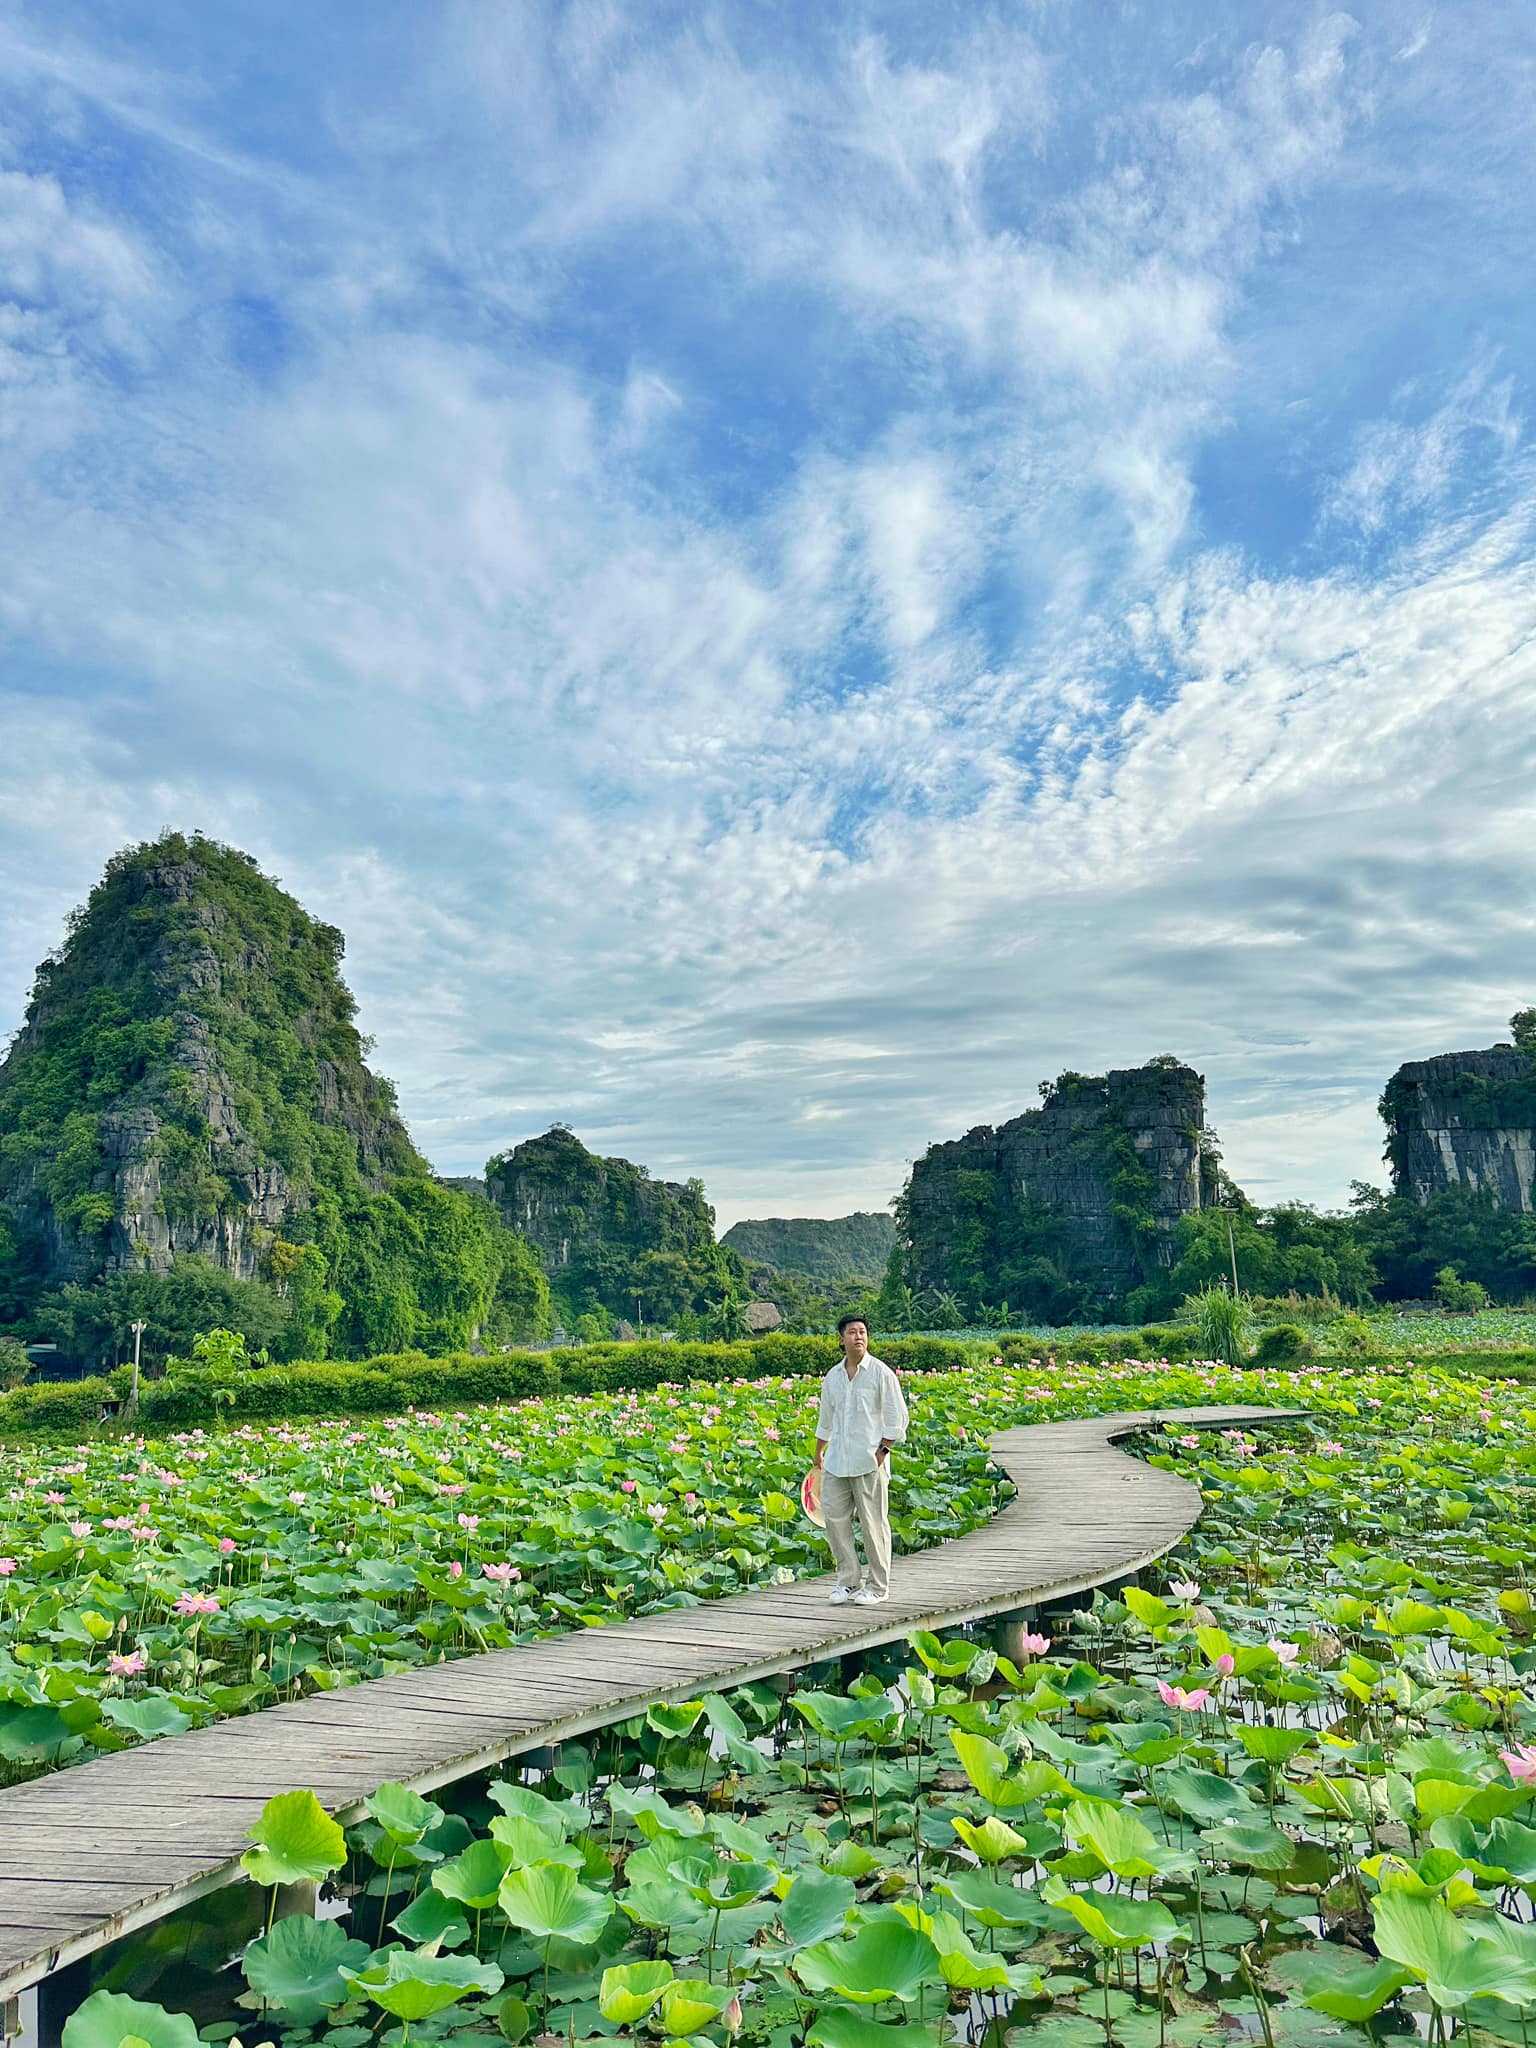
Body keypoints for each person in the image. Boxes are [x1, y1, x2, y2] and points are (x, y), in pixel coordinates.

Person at [811, 1313, 909, 1606]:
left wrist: (882, 1452)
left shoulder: (881, 1373)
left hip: (869, 1462)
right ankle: (848, 1581)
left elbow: (897, 1418)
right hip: (837, 1461)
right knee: (835, 1520)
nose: (858, 1337)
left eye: (863, 1332)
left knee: (873, 1523)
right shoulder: (833, 1377)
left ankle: (878, 1587)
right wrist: (818, 1452)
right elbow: (826, 1420)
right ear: (841, 1339)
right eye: (852, 1332)